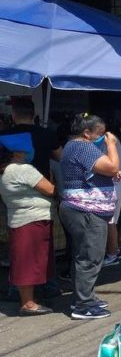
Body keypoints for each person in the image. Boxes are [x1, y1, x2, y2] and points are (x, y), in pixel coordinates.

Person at [60, 114, 120, 319]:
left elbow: (97, 171)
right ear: (87, 133)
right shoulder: (83, 147)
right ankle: (83, 305)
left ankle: (86, 298)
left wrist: (110, 173)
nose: (103, 138)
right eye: (100, 134)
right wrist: (112, 145)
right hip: (87, 211)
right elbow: (113, 167)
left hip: (79, 208)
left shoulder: (71, 146)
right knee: (90, 258)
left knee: (82, 256)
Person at [0, 135, 56, 316]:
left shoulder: (6, 170)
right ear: (18, 152)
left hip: (20, 218)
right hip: (31, 220)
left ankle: (29, 299)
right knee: (29, 262)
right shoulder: (23, 169)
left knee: (25, 260)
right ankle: (28, 303)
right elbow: (50, 189)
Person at [0, 98, 62, 176]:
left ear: (13, 115)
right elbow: (60, 157)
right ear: (33, 115)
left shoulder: (2, 135)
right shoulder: (47, 133)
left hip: (10, 184)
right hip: (40, 185)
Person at [103, 135, 121, 266]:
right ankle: (114, 251)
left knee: (110, 222)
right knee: (111, 222)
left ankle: (112, 254)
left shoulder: (109, 142)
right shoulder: (113, 141)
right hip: (114, 186)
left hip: (111, 187)